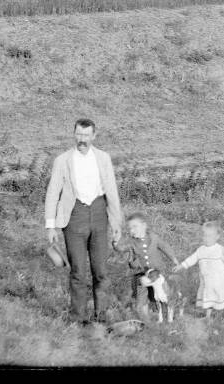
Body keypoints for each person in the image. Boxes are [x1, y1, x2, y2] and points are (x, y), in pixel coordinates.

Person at [44, 118, 122, 325]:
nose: (82, 139)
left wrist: (116, 224)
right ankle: (78, 318)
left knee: (101, 271)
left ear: (94, 136)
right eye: (79, 134)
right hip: (74, 216)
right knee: (78, 271)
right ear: (74, 134)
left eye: (86, 136)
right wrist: (50, 225)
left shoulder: (103, 158)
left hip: (98, 214)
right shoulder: (62, 160)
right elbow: (53, 192)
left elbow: (112, 192)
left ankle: (101, 316)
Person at [173, 221, 224, 320]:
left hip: (221, 280)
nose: (206, 238)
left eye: (210, 236)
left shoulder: (220, 249)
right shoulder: (201, 250)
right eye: (205, 236)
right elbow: (192, 259)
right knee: (209, 297)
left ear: (217, 237)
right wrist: (181, 265)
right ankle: (207, 316)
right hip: (207, 281)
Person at [113, 212, 179, 319]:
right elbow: (121, 248)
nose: (132, 230)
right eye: (130, 228)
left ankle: (166, 312)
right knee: (141, 297)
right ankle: (145, 318)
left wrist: (174, 259)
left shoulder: (153, 238)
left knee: (161, 293)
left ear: (144, 225)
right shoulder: (131, 242)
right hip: (141, 274)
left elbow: (165, 247)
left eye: (135, 227)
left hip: (157, 273)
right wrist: (115, 242)